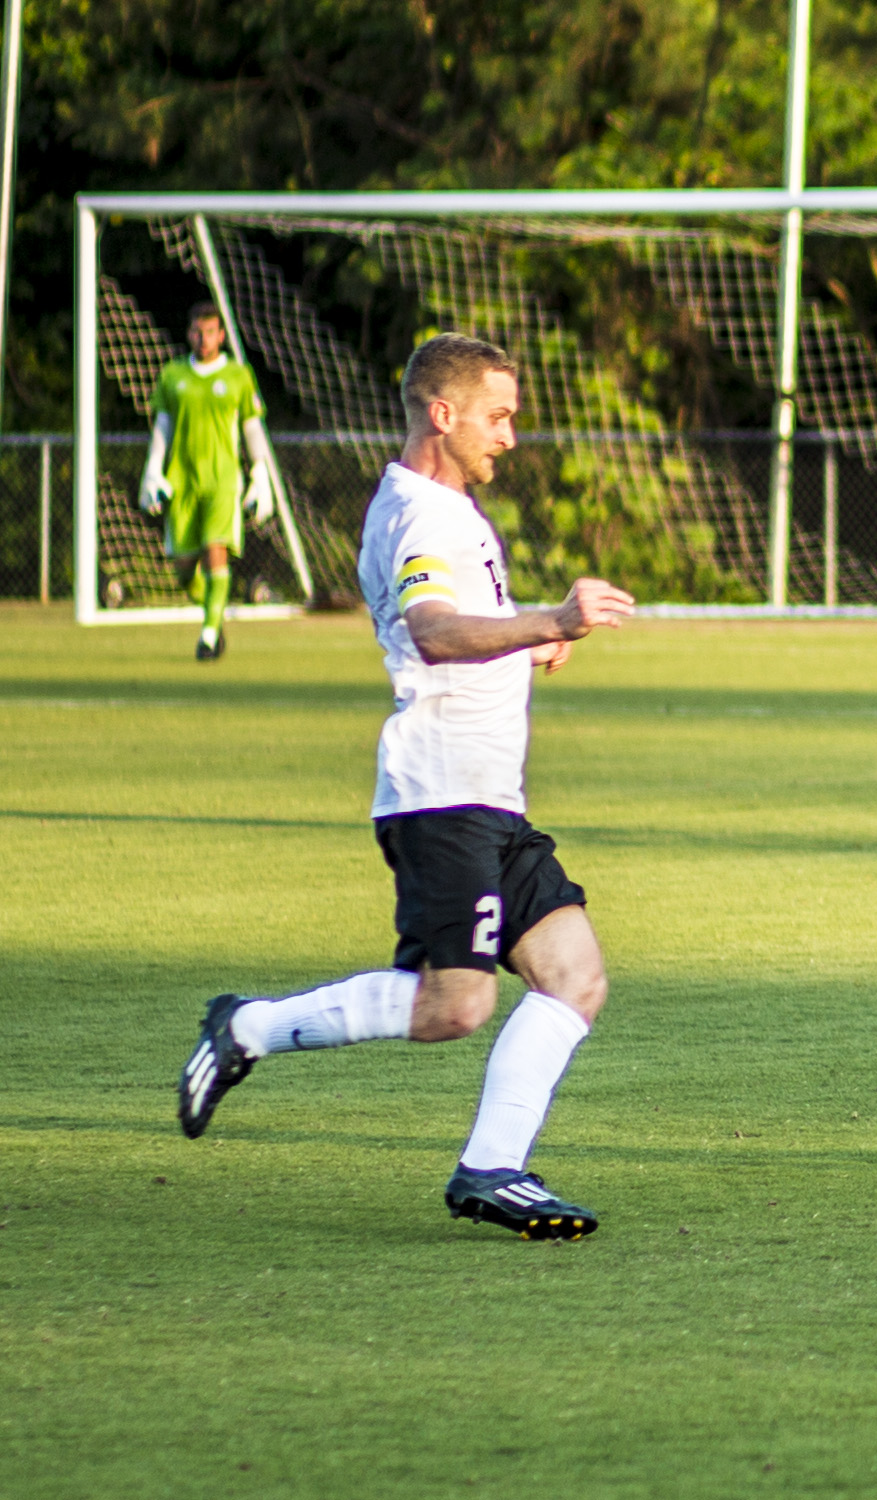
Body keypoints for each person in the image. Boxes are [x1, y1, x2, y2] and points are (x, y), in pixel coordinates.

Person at [174, 333, 638, 1239]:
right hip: (443, 797)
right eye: (497, 416)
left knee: (575, 977)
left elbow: (456, 628)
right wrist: (551, 619)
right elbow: (431, 630)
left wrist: (529, 643)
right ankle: (247, 1029)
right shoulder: (423, 516)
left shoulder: (443, 508)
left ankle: (492, 1170)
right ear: (443, 413)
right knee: (454, 1005)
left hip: (490, 798)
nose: (509, 435)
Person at [139, 303, 281, 660]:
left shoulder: (237, 376)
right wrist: (153, 468)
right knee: (185, 569)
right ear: (189, 333)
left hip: (223, 479)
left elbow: (252, 427)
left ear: (221, 335)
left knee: (215, 550)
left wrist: (260, 472)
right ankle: (213, 613)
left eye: (210, 332)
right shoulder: (173, 375)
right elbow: (163, 426)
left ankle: (208, 635)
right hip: (182, 479)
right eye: (197, 332)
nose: (203, 339)